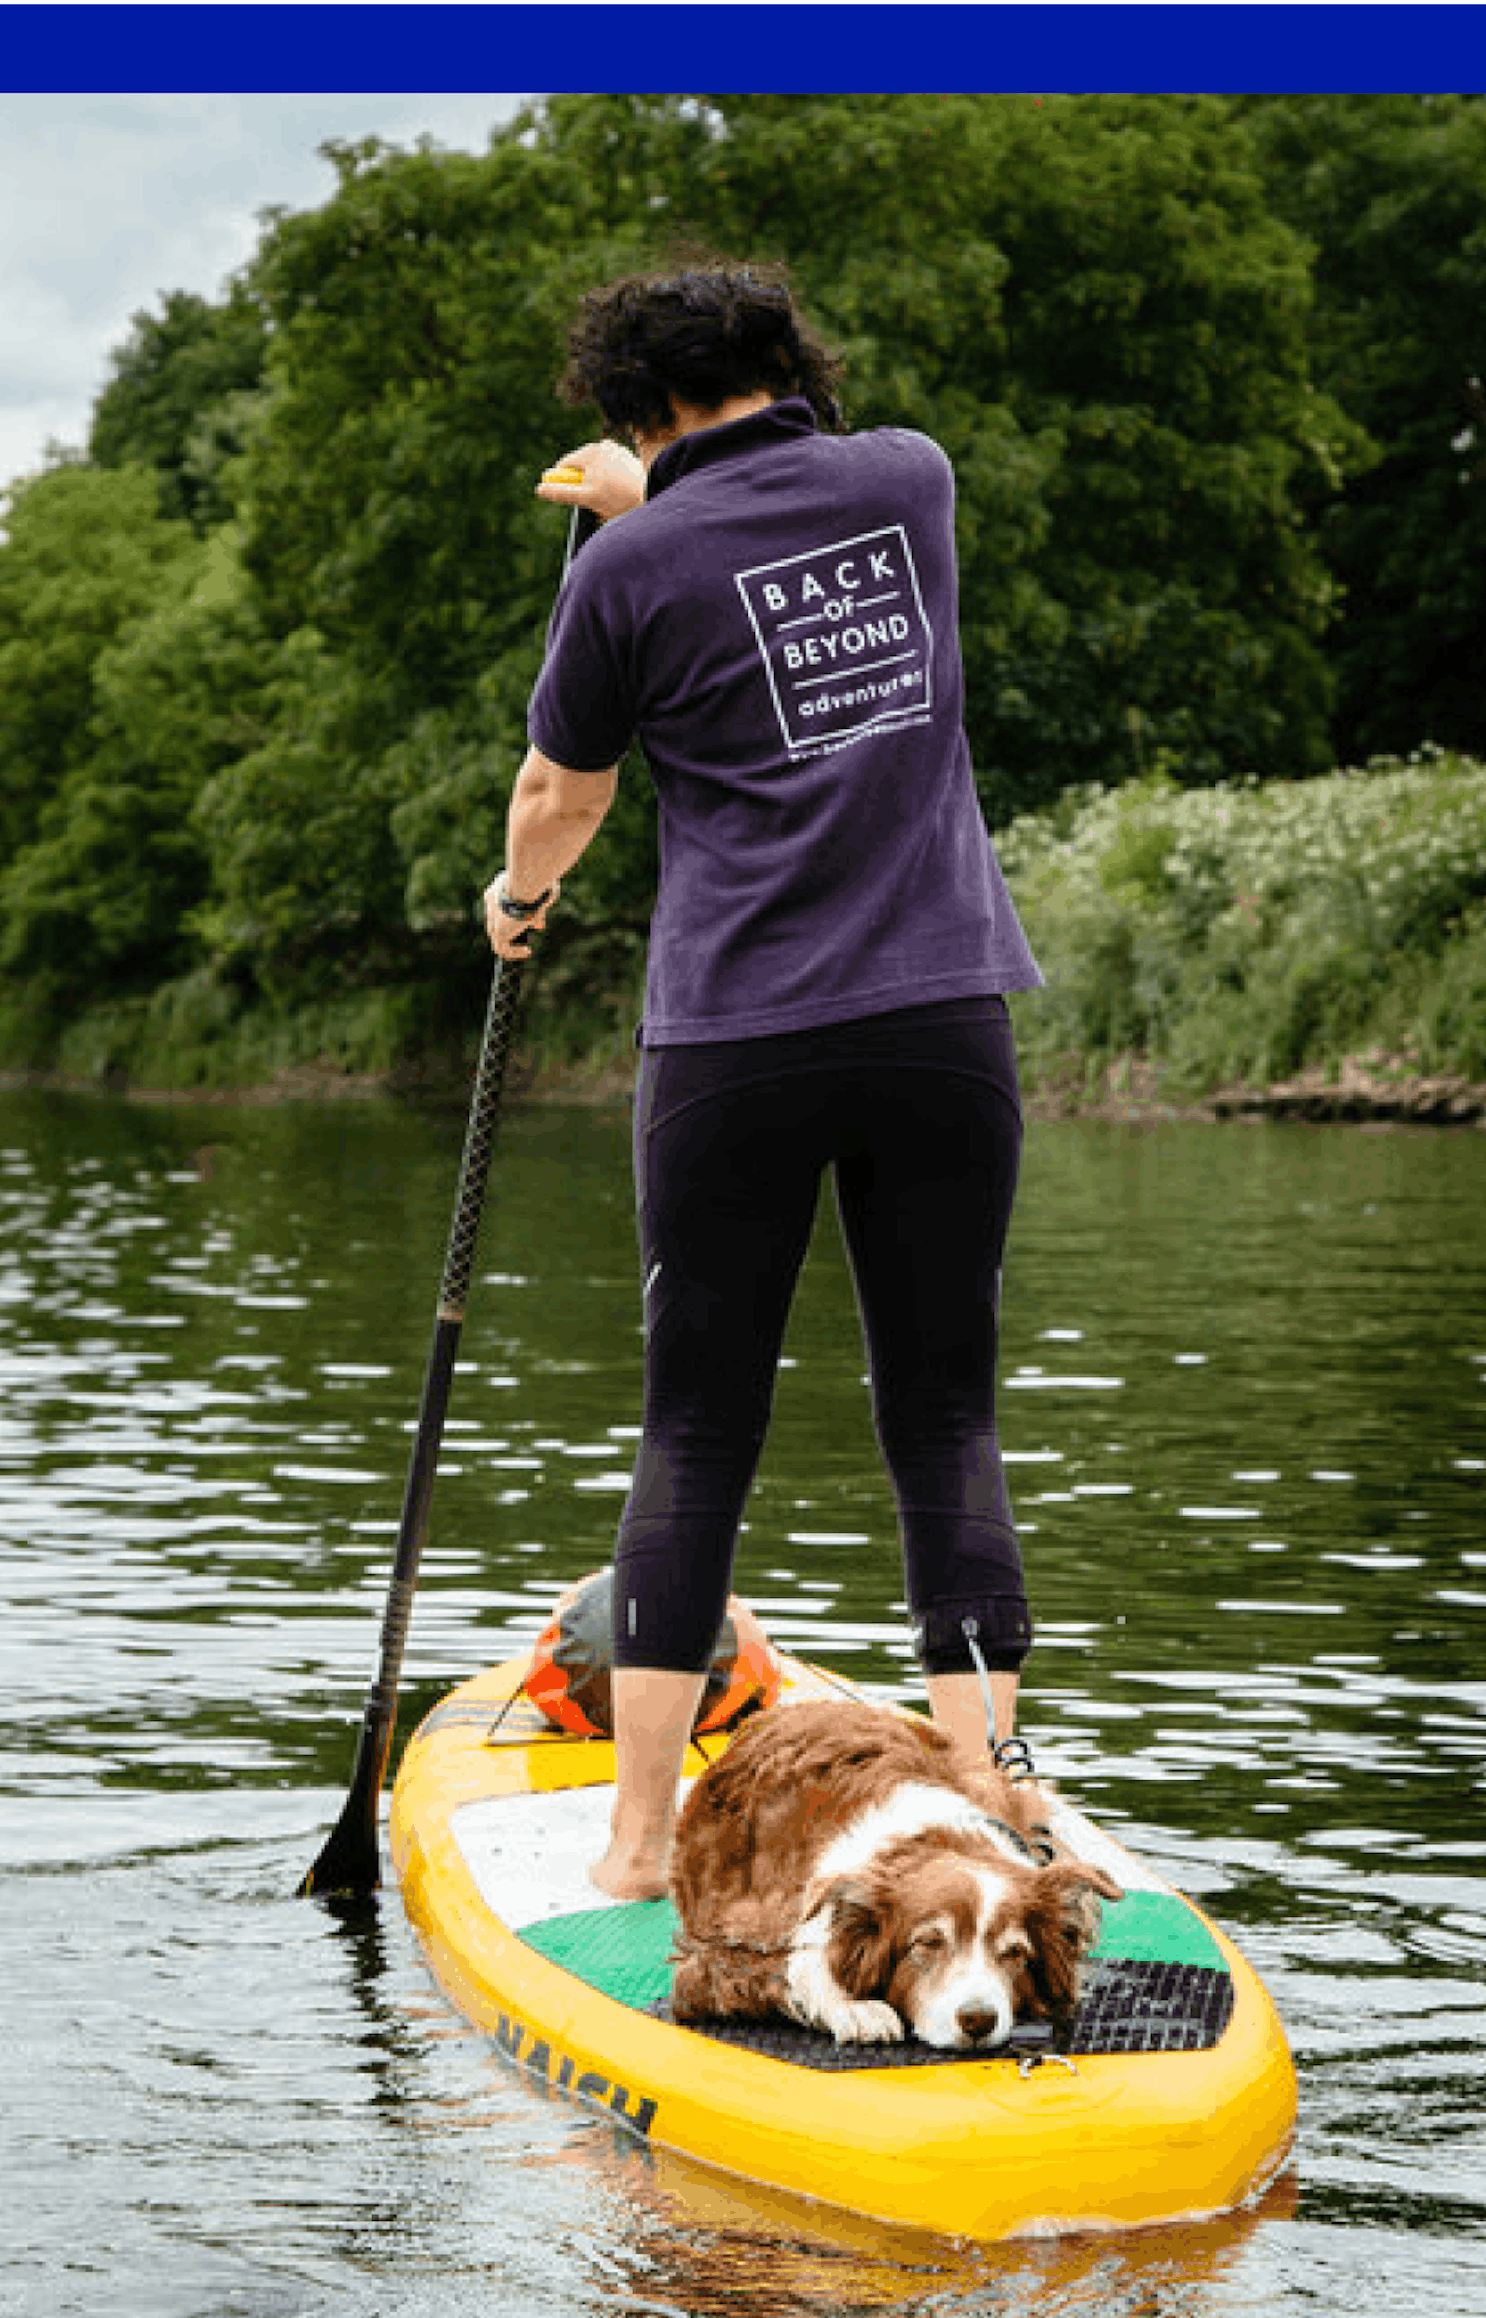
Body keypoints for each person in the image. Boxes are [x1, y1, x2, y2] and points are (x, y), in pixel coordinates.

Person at [487, 262, 1047, 1902]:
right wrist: (647, 497)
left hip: (735, 1038)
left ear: (630, 409)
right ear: (789, 359)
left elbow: (556, 790)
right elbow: (773, 529)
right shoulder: (915, 478)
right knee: (945, 1409)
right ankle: (997, 1785)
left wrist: (519, 906)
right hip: (944, 1015)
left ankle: (639, 1839)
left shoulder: (626, 564)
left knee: (697, 1427)